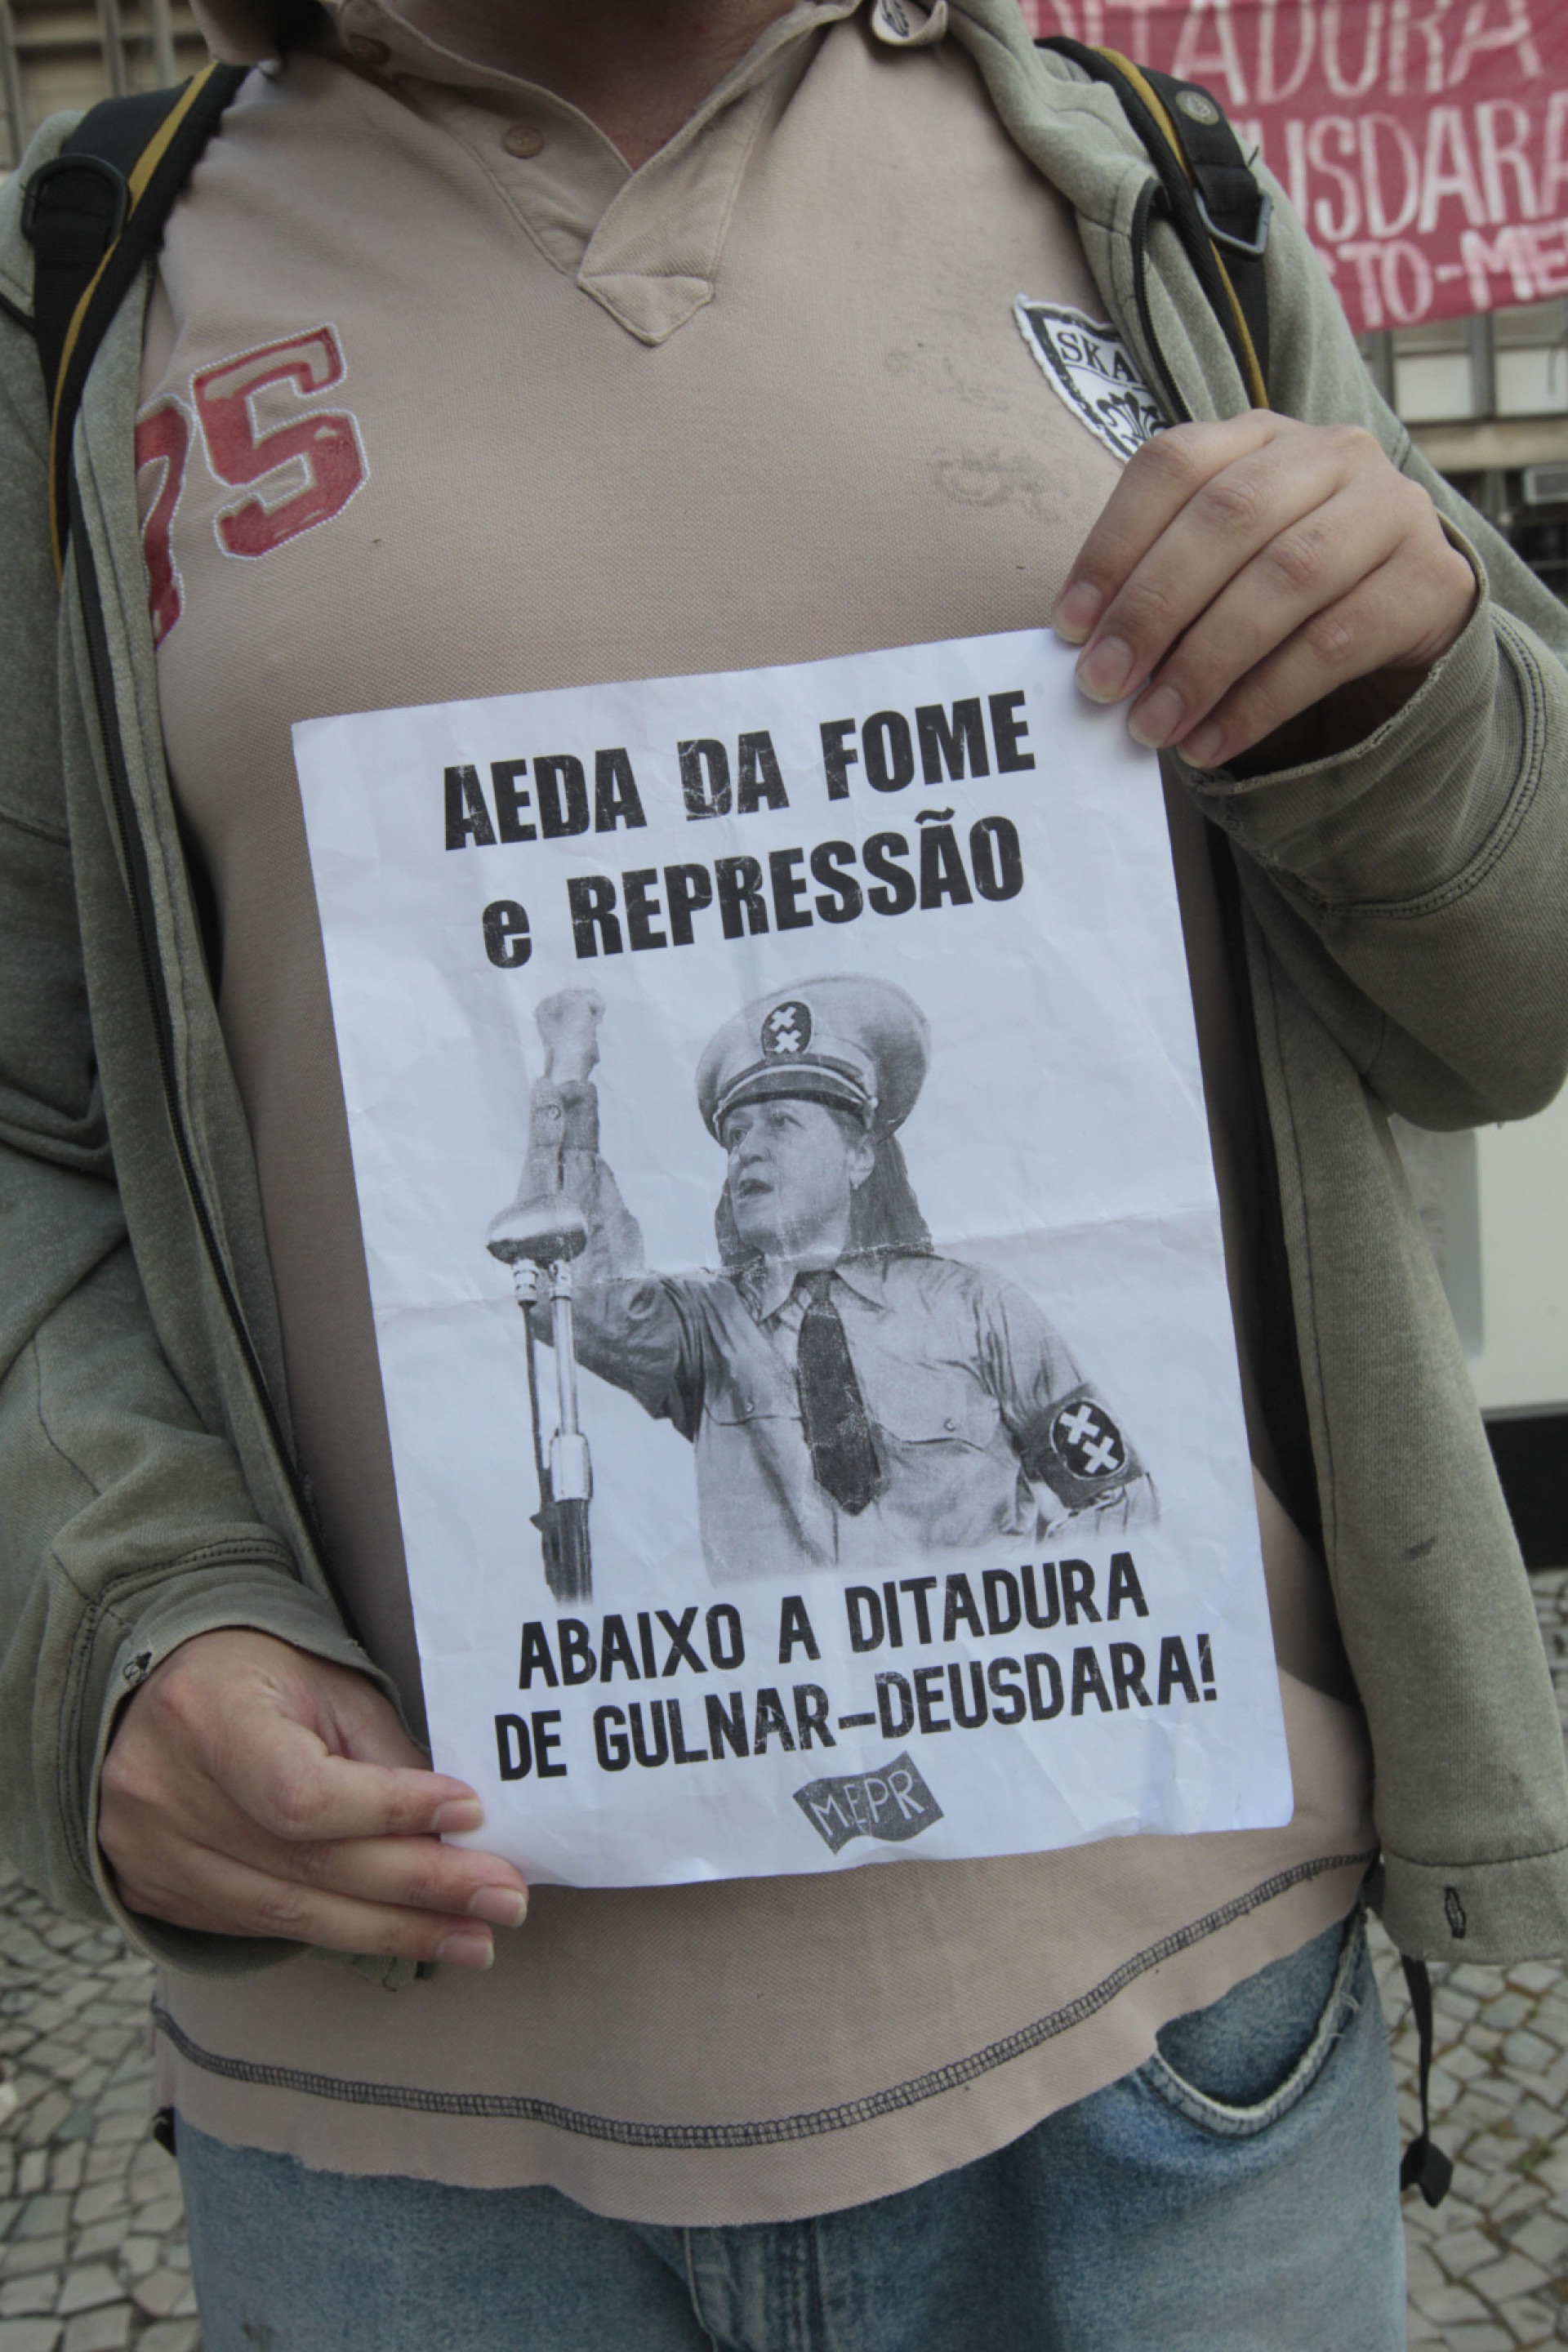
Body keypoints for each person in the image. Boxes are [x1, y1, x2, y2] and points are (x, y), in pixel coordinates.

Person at [2, 2, 1566, 2346]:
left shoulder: (1146, 193)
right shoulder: (98, 289)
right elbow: (116, 1145)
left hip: (1174, 2058)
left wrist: (1410, 685)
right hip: (419, 2143)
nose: (762, 1177)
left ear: (869, 1157)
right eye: (742, 1143)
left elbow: (1503, 1008)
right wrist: (125, 1599)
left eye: (800, 1138)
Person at [497, 976, 1149, 1583]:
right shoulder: (705, 1331)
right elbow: (576, 1298)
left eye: (782, 1123)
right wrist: (567, 1082)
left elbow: (1116, 1500)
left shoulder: (980, 1310)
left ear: (859, 1156)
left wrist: (1017, 1626)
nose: (748, 1150)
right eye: (735, 1135)